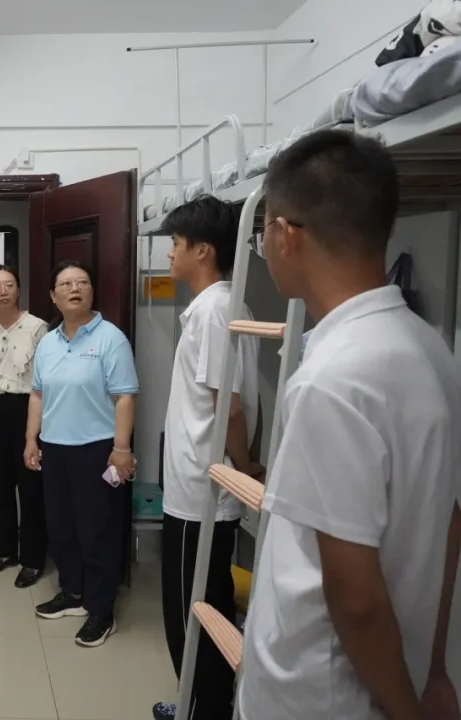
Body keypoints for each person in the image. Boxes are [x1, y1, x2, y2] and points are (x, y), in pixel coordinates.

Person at [239, 129, 461, 720]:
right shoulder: (429, 348)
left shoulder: (333, 379)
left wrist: (407, 710)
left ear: (285, 234)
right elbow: (448, 521)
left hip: (321, 693)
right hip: (397, 673)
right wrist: (434, 669)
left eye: (264, 233)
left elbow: (355, 598)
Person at [150, 196, 261, 720]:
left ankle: (199, 709)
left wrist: (246, 463)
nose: (169, 254)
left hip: (200, 492)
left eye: (175, 244)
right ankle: (204, 703)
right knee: (207, 601)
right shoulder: (220, 306)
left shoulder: (215, 310)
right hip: (200, 485)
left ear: (203, 250)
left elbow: (229, 406)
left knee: (190, 610)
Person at [25, 260, 138, 648]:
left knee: (97, 531)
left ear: (91, 291)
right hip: (55, 449)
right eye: (66, 284)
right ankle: (72, 593)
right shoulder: (48, 342)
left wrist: (121, 449)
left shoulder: (110, 338)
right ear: (53, 296)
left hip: (97, 450)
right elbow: (37, 394)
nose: (75, 288)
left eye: (83, 282)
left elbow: (125, 397)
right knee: (62, 528)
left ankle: (101, 609)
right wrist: (31, 440)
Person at [0, 265, 49, 588]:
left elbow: (43, 380)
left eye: (9, 285)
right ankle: (6, 551)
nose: (3, 291)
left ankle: (32, 558)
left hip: (26, 408)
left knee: (30, 485)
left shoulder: (37, 327)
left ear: (18, 289)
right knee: (0, 484)